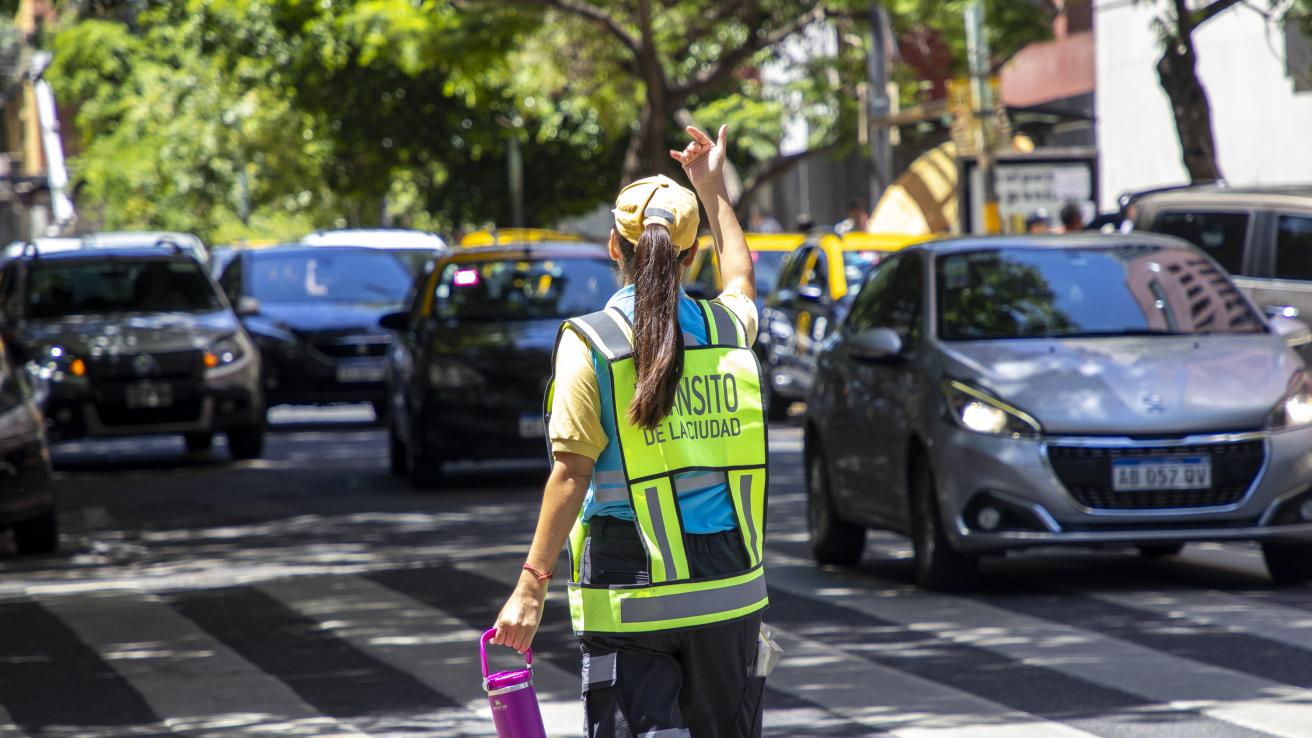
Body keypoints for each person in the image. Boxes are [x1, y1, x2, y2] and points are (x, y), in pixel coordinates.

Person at [492, 125, 770, 738]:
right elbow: (743, 279)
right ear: (691, 255)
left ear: (614, 250)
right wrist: (712, 186)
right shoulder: (728, 332)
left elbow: (571, 473)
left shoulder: (591, 344)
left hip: (628, 587)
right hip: (728, 586)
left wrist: (531, 586)